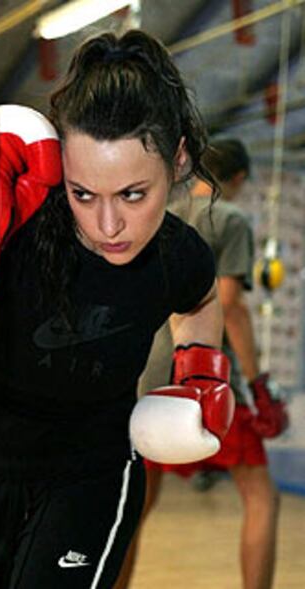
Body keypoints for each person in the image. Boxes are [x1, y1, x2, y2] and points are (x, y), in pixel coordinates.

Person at [0, 30, 235, 589]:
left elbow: (202, 300)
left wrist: (199, 368)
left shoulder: (178, 256)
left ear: (179, 160)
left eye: (133, 195)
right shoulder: (19, 231)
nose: (107, 226)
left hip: (92, 476)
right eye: (82, 193)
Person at [118, 139, 283, 589]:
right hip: (205, 374)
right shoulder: (230, 220)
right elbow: (229, 306)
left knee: (136, 505)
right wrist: (259, 383)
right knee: (261, 496)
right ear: (240, 179)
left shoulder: (162, 214)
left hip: (147, 378)